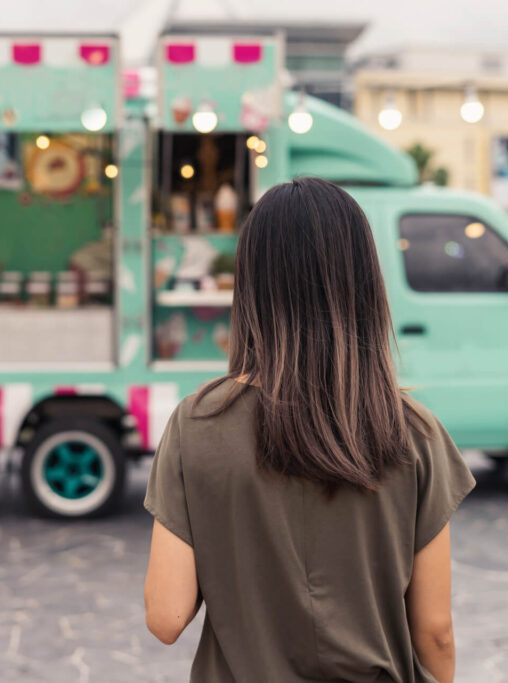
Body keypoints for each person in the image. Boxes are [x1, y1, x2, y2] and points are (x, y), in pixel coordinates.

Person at [143, 177, 475, 682]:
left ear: (250, 286)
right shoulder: (415, 434)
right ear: (364, 284)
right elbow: (435, 633)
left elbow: (166, 617)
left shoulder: (197, 424)